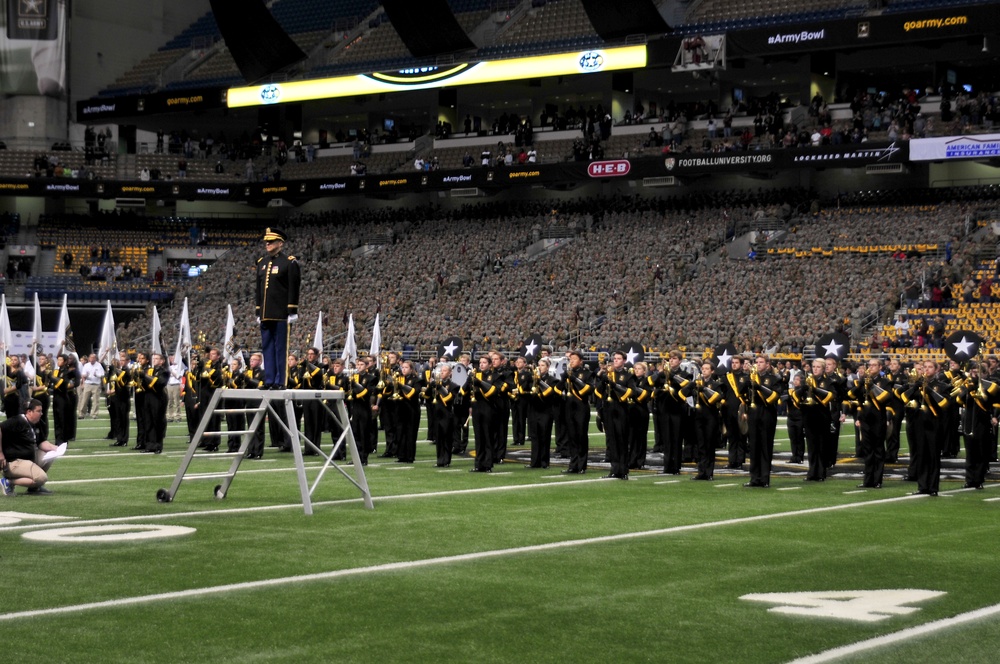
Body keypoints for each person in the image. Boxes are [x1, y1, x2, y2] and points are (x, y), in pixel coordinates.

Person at [256, 228, 301, 389]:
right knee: (267, 348)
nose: (267, 244)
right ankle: (269, 380)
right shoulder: (261, 262)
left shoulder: (289, 262)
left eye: (271, 241)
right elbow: (258, 289)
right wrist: (257, 310)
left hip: (281, 313)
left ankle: (280, 381)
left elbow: (294, 287)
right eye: (266, 241)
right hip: (265, 314)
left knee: (280, 348)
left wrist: (292, 310)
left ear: (280, 243)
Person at [0, 399, 60, 496]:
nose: (41, 413)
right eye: (38, 411)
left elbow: (41, 442)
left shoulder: (37, 423)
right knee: (42, 478)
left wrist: (55, 448)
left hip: (27, 460)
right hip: (13, 462)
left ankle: (34, 488)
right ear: (29, 412)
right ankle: (8, 482)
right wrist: (0, 453)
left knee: (49, 454)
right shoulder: (18, 421)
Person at [848, 358, 892, 489]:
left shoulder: (885, 382)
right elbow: (851, 395)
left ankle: (877, 480)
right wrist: (861, 384)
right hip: (865, 420)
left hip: (878, 420)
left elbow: (887, 398)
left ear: (880, 367)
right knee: (868, 451)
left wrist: (873, 386)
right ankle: (867, 480)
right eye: (869, 365)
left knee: (878, 450)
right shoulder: (863, 382)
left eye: (874, 365)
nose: (871, 367)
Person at [745, 354, 782, 488]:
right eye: (757, 362)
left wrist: (759, 386)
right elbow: (744, 396)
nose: (758, 364)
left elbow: (774, 397)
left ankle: (764, 478)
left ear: (767, 364)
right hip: (753, 413)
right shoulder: (751, 377)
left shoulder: (774, 378)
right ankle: (754, 478)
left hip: (767, 412)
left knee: (765, 446)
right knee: (753, 446)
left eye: (761, 362)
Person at [557, 350, 593, 475]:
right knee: (571, 437)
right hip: (569, 408)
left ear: (581, 361)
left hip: (581, 408)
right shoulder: (568, 373)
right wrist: (563, 380)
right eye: (570, 359)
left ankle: (582, 465)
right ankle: (573, 464)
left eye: (574, 359)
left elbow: (587, 391)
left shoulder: (587, 373)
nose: (571, 361)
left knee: (581, 436)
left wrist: (574, 379)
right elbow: (557, 390)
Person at [691, 360, 722, 480]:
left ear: (712, 371)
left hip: (711, 417)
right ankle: (701, 471)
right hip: (698, 417)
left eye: (707, 369)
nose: (704, 370)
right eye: (703, 368)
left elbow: (717, 398)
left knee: (709, 445)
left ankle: (709, 472)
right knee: (701, 445)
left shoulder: (715, 385)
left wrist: (703, 389)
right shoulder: (696, 383)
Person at [426, 363, 458, 467]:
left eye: (444, 371)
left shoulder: (454, 386)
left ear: (450, 373)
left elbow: (448, 399)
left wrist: (440, 388)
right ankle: (439, 460)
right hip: (436, 414)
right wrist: (430, 387)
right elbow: (427, 397)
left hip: (447, 415)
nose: (442, 372)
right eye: (441, 371)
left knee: (447, 438)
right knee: (438, 439)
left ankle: (446, 460)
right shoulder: (436, 384)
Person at [50, 354, 77, 445]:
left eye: (61, 360)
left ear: (65, 362)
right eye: (58, 360)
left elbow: (62, 383)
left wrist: (52, 377)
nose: (59, 362)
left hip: (63, 398)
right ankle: (58, 439)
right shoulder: (56, 372)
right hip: (56, 397)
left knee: (63, 420)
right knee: (56, 419)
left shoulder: (67, 372)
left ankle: (63, 439)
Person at [77, 352, 104, 419]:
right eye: (91, 358)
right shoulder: (86, 365)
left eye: (93, 358)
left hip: (96, 384)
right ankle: (81, 414)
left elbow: (102, 375)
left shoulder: (99, 365)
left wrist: (96, 375)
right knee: (84, 400)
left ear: (95, 358)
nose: (92, 359)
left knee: (95, 401)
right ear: (89, 358)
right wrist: (83, 382)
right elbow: (83, 375)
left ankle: (94, 414)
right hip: (88, 383)